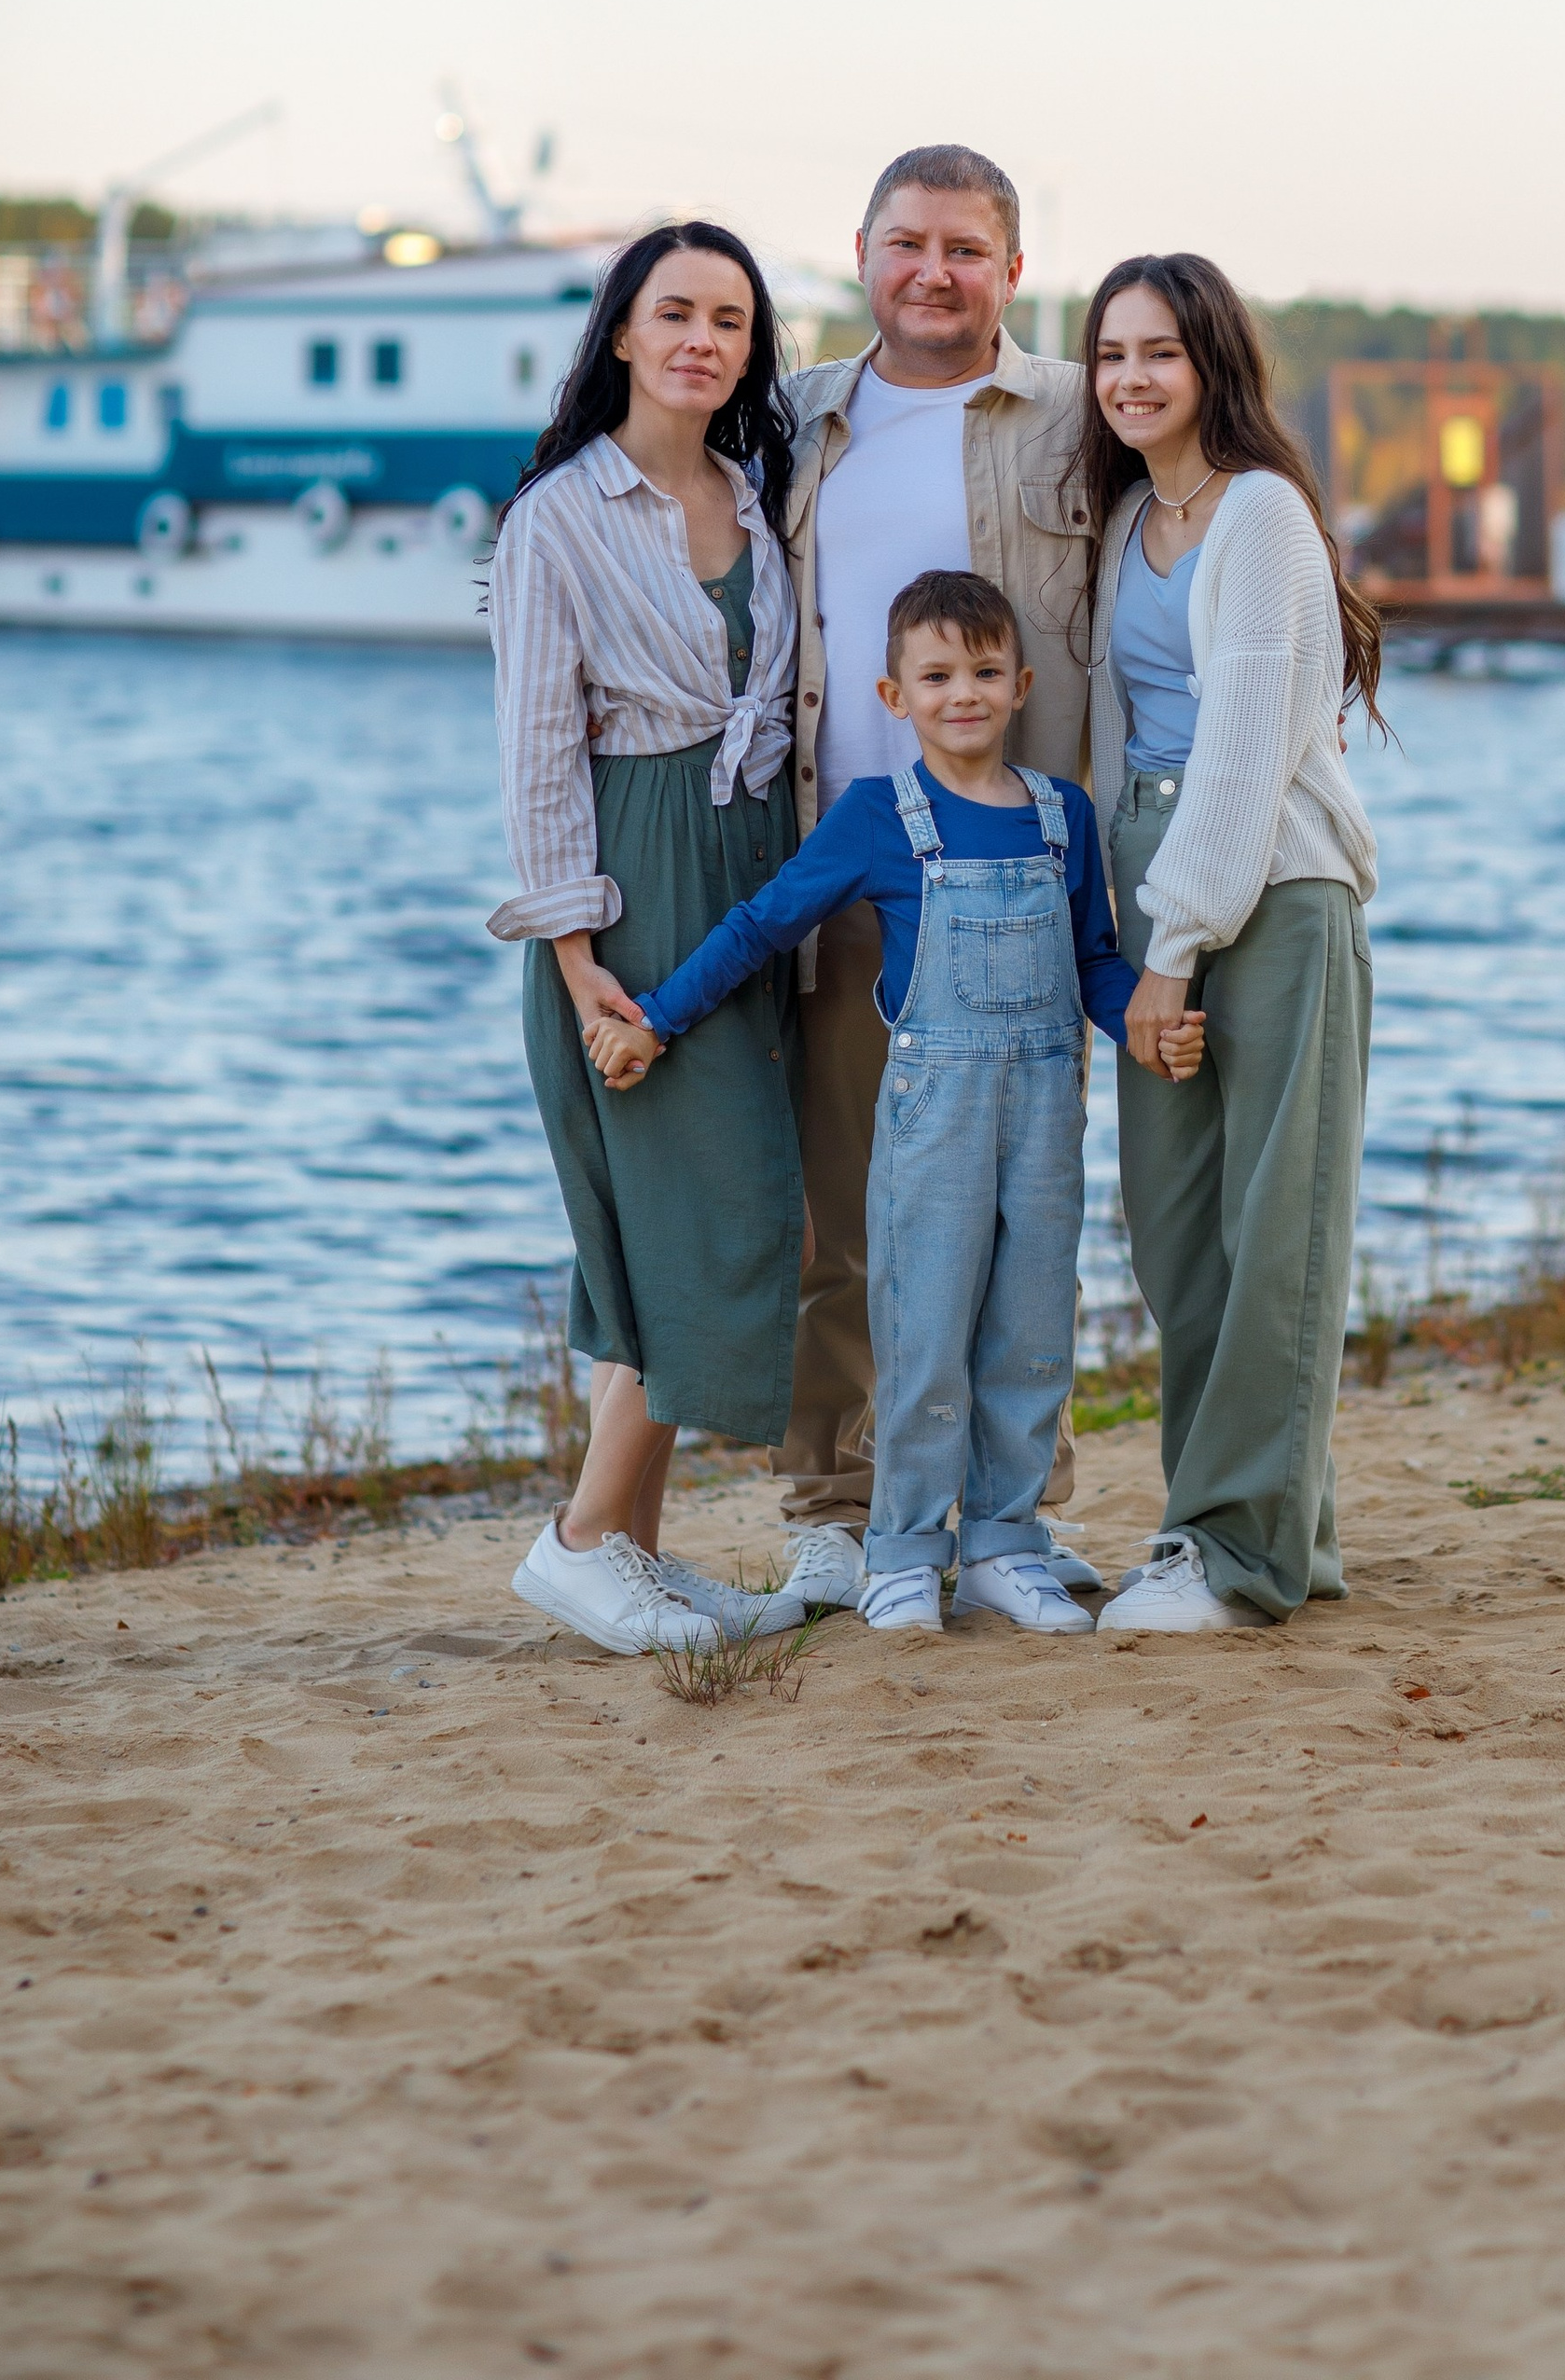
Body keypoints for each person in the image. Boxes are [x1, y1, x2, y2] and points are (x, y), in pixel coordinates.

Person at [589, 569, 1200, 1631]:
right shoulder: (878, 817)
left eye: (982, 672)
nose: (960, 693)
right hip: (933, 1119)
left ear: (1020, 685)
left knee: (1031, 1330)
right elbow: (760, 925)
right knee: (921, 1329)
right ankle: (903, 1548)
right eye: (935, 676)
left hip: (1049, 1114)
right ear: (892, 696)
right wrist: (656, 1017)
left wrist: (1144, 1028)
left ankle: (1007, 1540)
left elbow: (1097, 961)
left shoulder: (1064, 815)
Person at [772, 145, 1099, 1613]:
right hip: (843, 853)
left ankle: (1009, 1513)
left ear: (1011, 269)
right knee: (842, 1208)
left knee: (1023, 1209)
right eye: (907, 243)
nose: (934, 271)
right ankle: (840, 1508)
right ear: (861, 253)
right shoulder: (798, 421)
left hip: (1018, 866)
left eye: (966, 248)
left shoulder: (1075, 418)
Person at [484, 221, 810, 1661]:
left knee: (672, 1225)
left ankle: (633, 1549)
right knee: (716, 1218)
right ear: (620, 331)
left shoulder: (757, 492)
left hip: (751, 864)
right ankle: (576, 1545)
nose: (702, 340)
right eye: (673, 312)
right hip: (636, 874)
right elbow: (539, 749)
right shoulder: (559, 514)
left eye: (730, 321)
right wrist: (573, 951)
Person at [1073, 254, 1385, 1635]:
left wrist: (1175, 948)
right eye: (1109, 355)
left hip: (1265, 886)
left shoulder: (1259, 516)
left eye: (1159, 352)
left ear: (1213, 365)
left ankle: (1235, 1554)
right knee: (1179, 1235)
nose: (1131, 378)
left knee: (1277, 1227)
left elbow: (1249, 744)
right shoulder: (1132, 514)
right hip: (1159, 882)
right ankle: (1252, 1529)